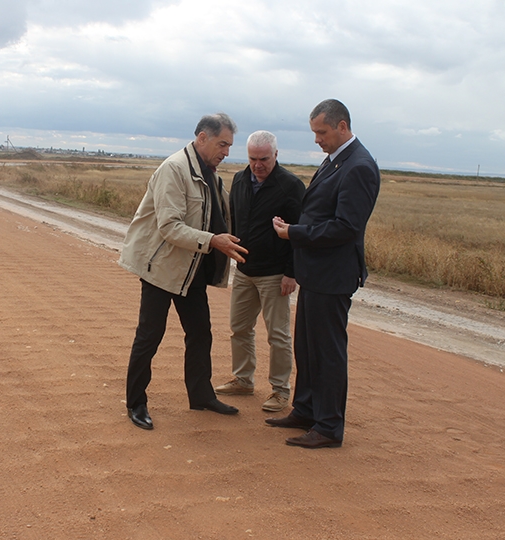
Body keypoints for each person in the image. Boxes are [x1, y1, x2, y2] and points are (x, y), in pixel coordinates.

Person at [119, 113, 248, 430]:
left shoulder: (210, 174)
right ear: (202, 137)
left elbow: (222, 213)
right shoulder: (175, 169)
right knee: (149, 337)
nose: (227, 152)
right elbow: (169, 228)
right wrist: (212, 241)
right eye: (222, 144)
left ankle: (201, 396)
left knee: (201, 333)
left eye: (230, 145)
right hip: (161, 268)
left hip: (191, 271)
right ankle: (136, 404)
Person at [268, 99, 380, 448]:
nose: (317, 139)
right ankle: (305, 410)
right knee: (307, 347)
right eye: (315, 132)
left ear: (342, 126)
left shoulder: (358, 166)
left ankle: (329, 426)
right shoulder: (337, 161)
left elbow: (346, 227)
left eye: (322, 132)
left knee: (327, 353)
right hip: (316, 273)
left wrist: (294, 234)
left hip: (333, 276)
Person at [214, 131, 305, 412]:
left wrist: (292, 273)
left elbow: (300, 233)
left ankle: (280, 391)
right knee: (239, 328)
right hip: (244, 270)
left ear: (276, 155)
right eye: (253, 159)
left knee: (277, 335)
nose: (258, 165)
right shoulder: (240, 179)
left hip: (275, 274)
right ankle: (243, 379)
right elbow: (235, 220)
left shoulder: (291, 186)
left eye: (264, 159)